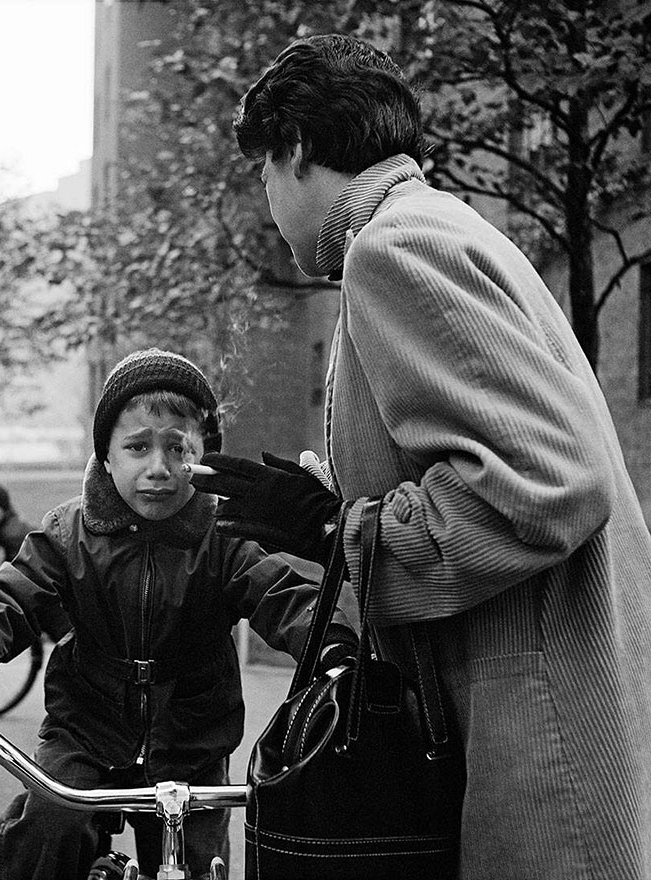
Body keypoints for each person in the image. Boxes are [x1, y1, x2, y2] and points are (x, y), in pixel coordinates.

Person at [189, 35, 651, 880]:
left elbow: (546, 482)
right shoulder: (441, 226)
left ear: (294, 151)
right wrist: (340, 499)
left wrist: (339, 528)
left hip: (536, 734)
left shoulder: (394, 247)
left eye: (262, 174)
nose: (265, 200)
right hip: (550, 704)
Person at [0, 348, 359, 880]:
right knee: (53, 826)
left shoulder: (224, 537)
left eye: (177, 448)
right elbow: (7, 596)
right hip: (87, 729)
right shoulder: (68, 533)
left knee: (198, 864)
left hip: (192, 742)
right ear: (107, 456)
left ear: (202, 454)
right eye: (138, 447)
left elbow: (283, 595)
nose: (158, 468)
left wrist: (334, 651)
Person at [0, 482, 71, 642]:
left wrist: (0, 575)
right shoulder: (8, 528)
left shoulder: (13, 536)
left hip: (60, 615)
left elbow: (13, 585)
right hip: (53, 612)